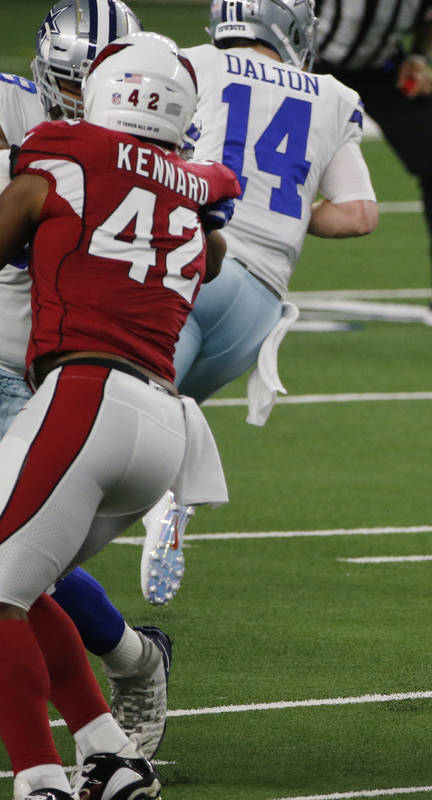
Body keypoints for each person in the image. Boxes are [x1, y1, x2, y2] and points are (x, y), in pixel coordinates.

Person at [0, 30, 240, 800]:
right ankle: (110, 756)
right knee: (28, 585)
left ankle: (39, 779)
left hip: (85, 396)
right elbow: (215, 250)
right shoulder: (198, 189)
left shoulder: (63, 152)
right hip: (164, 424)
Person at [139, 0, 379, 606]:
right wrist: (290, 211)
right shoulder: (330, 94)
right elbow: (358, 215)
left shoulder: (188, 65)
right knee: (155, 420)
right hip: (258, 311)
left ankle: (159, 501)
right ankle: (162, 497)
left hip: (194, 261)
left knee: (112, 420)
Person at [2, 0, 176, 762]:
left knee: (20, 562)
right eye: (73, 81)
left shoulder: (150, 147)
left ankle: (111, 695)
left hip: (42, 368)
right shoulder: (11, 104)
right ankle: (117, 698)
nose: (81, 98)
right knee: (21, 564)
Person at [312, 0, 432, 328]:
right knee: (260, 160)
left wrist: (419, 55)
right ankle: (211, 272)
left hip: (382, 66)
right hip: (309, 64)